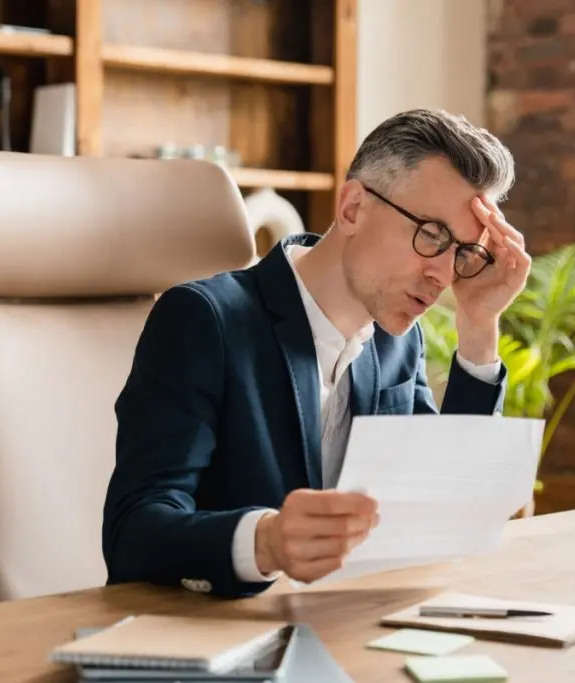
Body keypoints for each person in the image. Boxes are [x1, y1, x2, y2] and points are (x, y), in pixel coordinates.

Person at [101, 108, 531, 598]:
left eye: (463, 253)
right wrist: (265, 542)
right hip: (223, 640)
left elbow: (441, 505)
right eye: (431, 235)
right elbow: (132, 535)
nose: (443, 275)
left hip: (345, 629)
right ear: (352, 208)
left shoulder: (397, 341)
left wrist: (479, 326)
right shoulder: (204, 321)